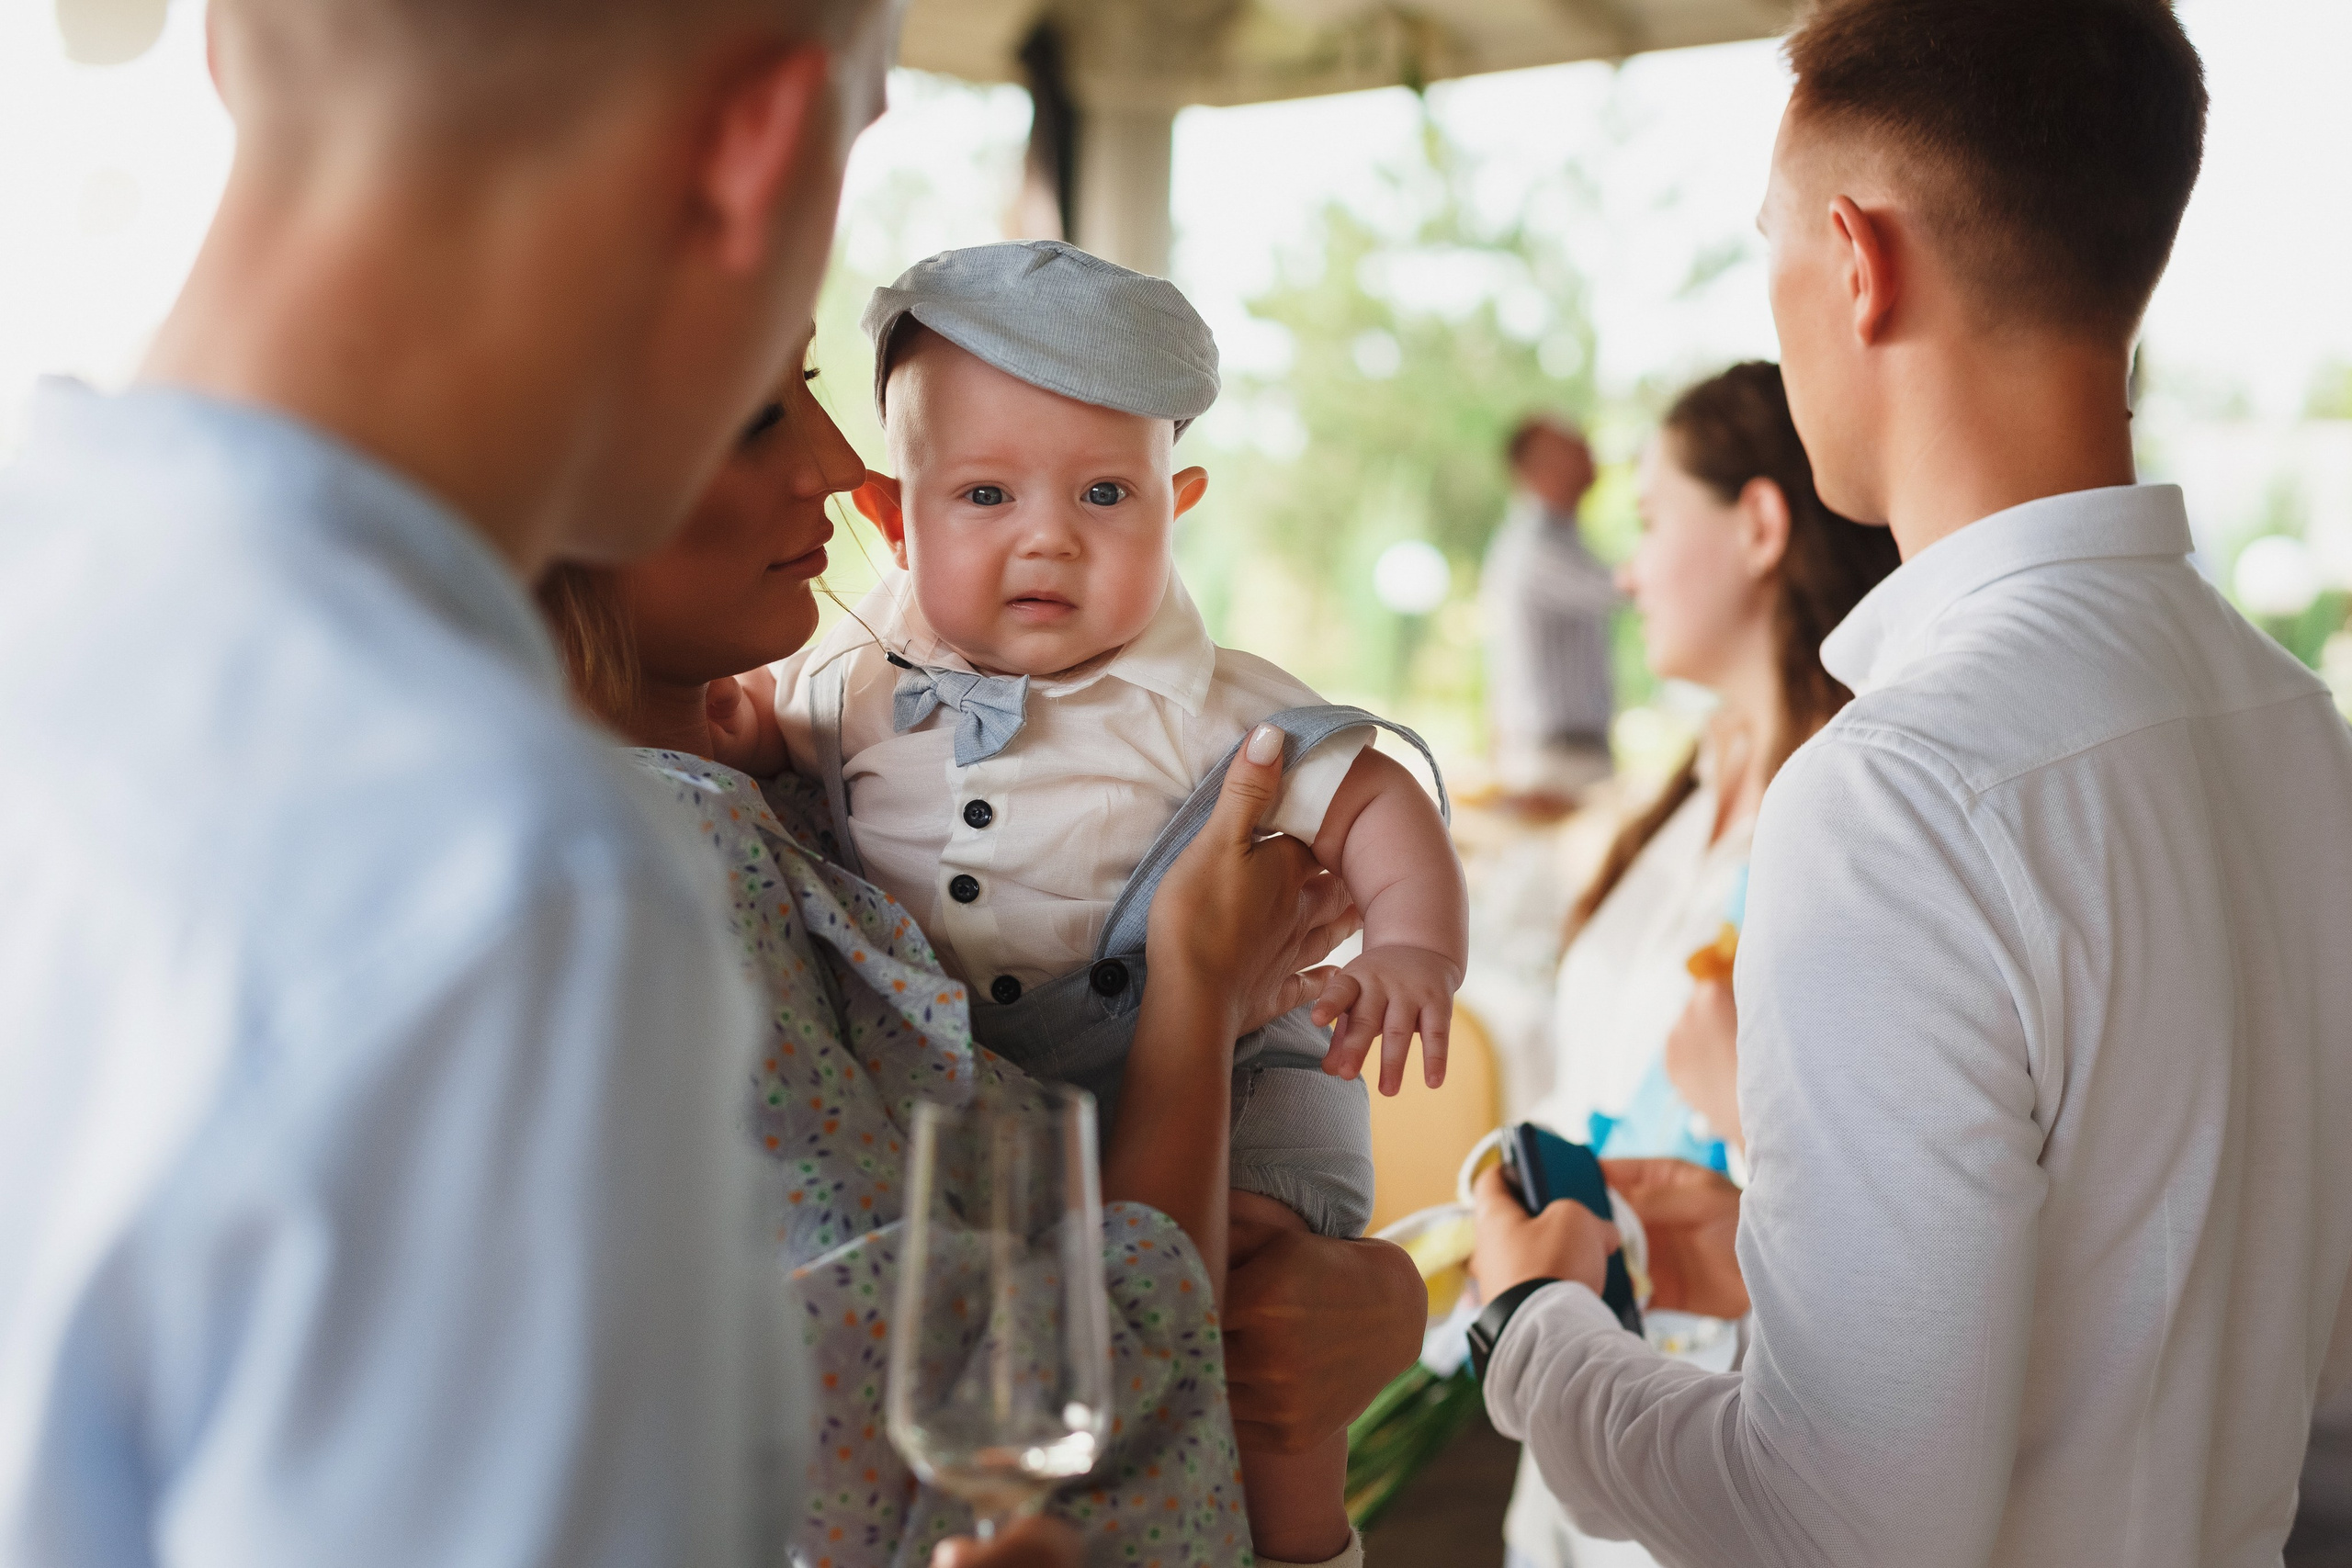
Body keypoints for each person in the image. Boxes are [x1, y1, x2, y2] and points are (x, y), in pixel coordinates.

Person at [0, 6, 1398, 1568]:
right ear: (763, 143)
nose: (833, 460)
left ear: (237, 49)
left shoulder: (55, 630)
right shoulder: (526, 882)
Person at [1467, 3, 2352, 1565]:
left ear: (1856, 261)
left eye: (1771, 251)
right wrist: (1799, 1262)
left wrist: (1533, 1324)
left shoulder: (1894, 791)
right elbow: (2147, 1279)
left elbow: (1834, 1524)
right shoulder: (2289, 720)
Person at [538, 344, 1431, 1568]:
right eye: (753, 409)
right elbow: (1043, 1427)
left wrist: (1343, 1296)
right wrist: (1192, 995)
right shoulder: (641, 890)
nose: (839, 458)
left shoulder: (793, 805)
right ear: (540, 485)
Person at [755, 241, 1464, 1567]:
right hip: (1021, 1114)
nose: (1049, 535)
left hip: (1237, 1089)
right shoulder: (849, 683)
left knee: (1262, 1350)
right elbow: (757, 728)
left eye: (1103, 492)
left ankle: (1301, 1540)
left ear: (1174, 501)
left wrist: (1416, 940)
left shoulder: (1214, 705)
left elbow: (1372, 796)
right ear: (893, 519)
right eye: (984, 492)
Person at [1501, 361, 1898, 1568]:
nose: (1623, 569)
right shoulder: (1676, 800)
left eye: (1650, 520)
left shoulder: (1859, 819)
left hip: (1727, 1406)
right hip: (1581, 1377)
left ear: (1760, 524)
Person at [1479, 413, 1617, 799]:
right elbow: (1622, 587)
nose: (1588, 450)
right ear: (1537, 468)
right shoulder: (1536, 547)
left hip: (1561, 755)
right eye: (1572, 445)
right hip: (1555, 761)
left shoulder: (1561, 539)